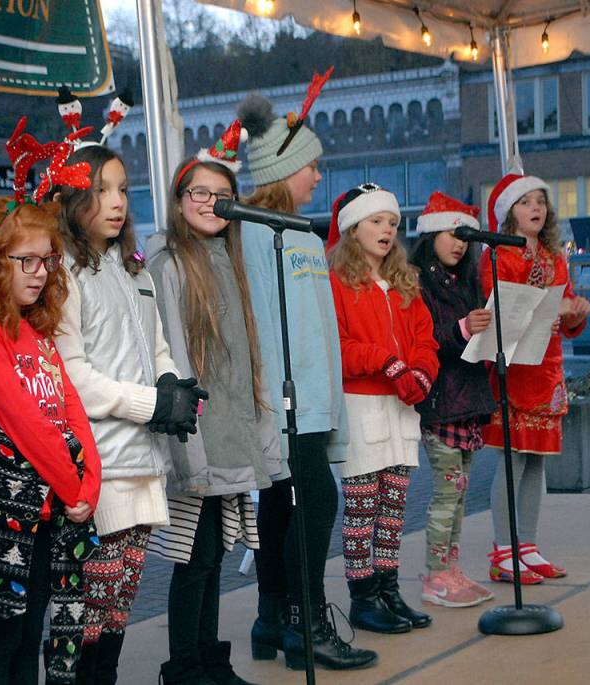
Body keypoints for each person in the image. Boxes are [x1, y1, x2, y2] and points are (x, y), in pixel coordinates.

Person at [0, 118, 103, 685]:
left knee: (34, 633)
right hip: (10, 501)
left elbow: (71, 410)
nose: (39, 273)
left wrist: (89, 484)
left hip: (55, 503)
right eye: (25, 261)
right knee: (2, 640)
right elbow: (19, 417)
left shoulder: (37, 327)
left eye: (47, 260)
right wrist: (70, 482)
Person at [50, 143, 206, 685]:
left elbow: (157, 343)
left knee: (118, 605)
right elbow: (74, 378)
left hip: (143, 459)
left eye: (121, 188)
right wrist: (152, 404)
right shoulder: (64, 272)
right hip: (101, 464)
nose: (116, 202)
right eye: (100, 190)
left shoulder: (129, 265)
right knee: (88, 611)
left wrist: (169, 383)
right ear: (73, 198)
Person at [237, 86, 377, 672]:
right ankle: (307, 619)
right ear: (285, 169)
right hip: (286, 403)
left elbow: (313, 323)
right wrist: (270, 399)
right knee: (315, 501)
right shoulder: (255, 232)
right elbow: (263, 321)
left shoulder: (299, 232)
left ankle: (273, 616)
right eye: (312, 165)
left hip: (312, 397)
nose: (320, 175)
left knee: (284, 504)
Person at [146, 123, 279, 685]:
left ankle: (207, 660)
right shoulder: (171, 264)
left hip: (230, 431)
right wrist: (188, 442)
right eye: (197, 192)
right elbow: (171, 352)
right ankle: (185, 667)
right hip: (193, 434)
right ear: (179, 201)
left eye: (221, 195)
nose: (209, 203)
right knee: (194, 558)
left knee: (216, 555)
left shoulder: (234, 262)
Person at [326, 184, 437, 634]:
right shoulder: (337, 283)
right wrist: (386, 362)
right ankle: (362, 597)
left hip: (401, 409)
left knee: (393, 508)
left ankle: (389, 591)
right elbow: (338, 347)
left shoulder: (404, 283)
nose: (386, 230)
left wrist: (422, 374)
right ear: (353, 228)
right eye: (376, 222)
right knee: (361, 510)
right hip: (362, 407)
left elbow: (427, 341)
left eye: (392, 223)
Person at [482, 173, 590, 583]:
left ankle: (526, 544)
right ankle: (502, 550)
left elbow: (563, 321)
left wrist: (575, 313)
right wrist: (555, 311)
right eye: (526, 202)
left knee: (535, 463)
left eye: (540, 201)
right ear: (509, 211)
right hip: (514, 370)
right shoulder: (498, 256)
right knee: (512, 461)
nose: (535, 209)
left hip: (547, 370)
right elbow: (503, 313)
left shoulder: (554, 256)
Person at [409, 192, 497, 608]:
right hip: (441, 402)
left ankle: (451, 567)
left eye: (465, 236)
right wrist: (464, 327)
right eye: (451, 233)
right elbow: (426, 341)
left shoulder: (466, 282)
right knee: (447, 492)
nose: (460, 243)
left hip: (468, 400)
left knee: (460, 492)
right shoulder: (419, 282)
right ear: (430, 235)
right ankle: (435, 574)